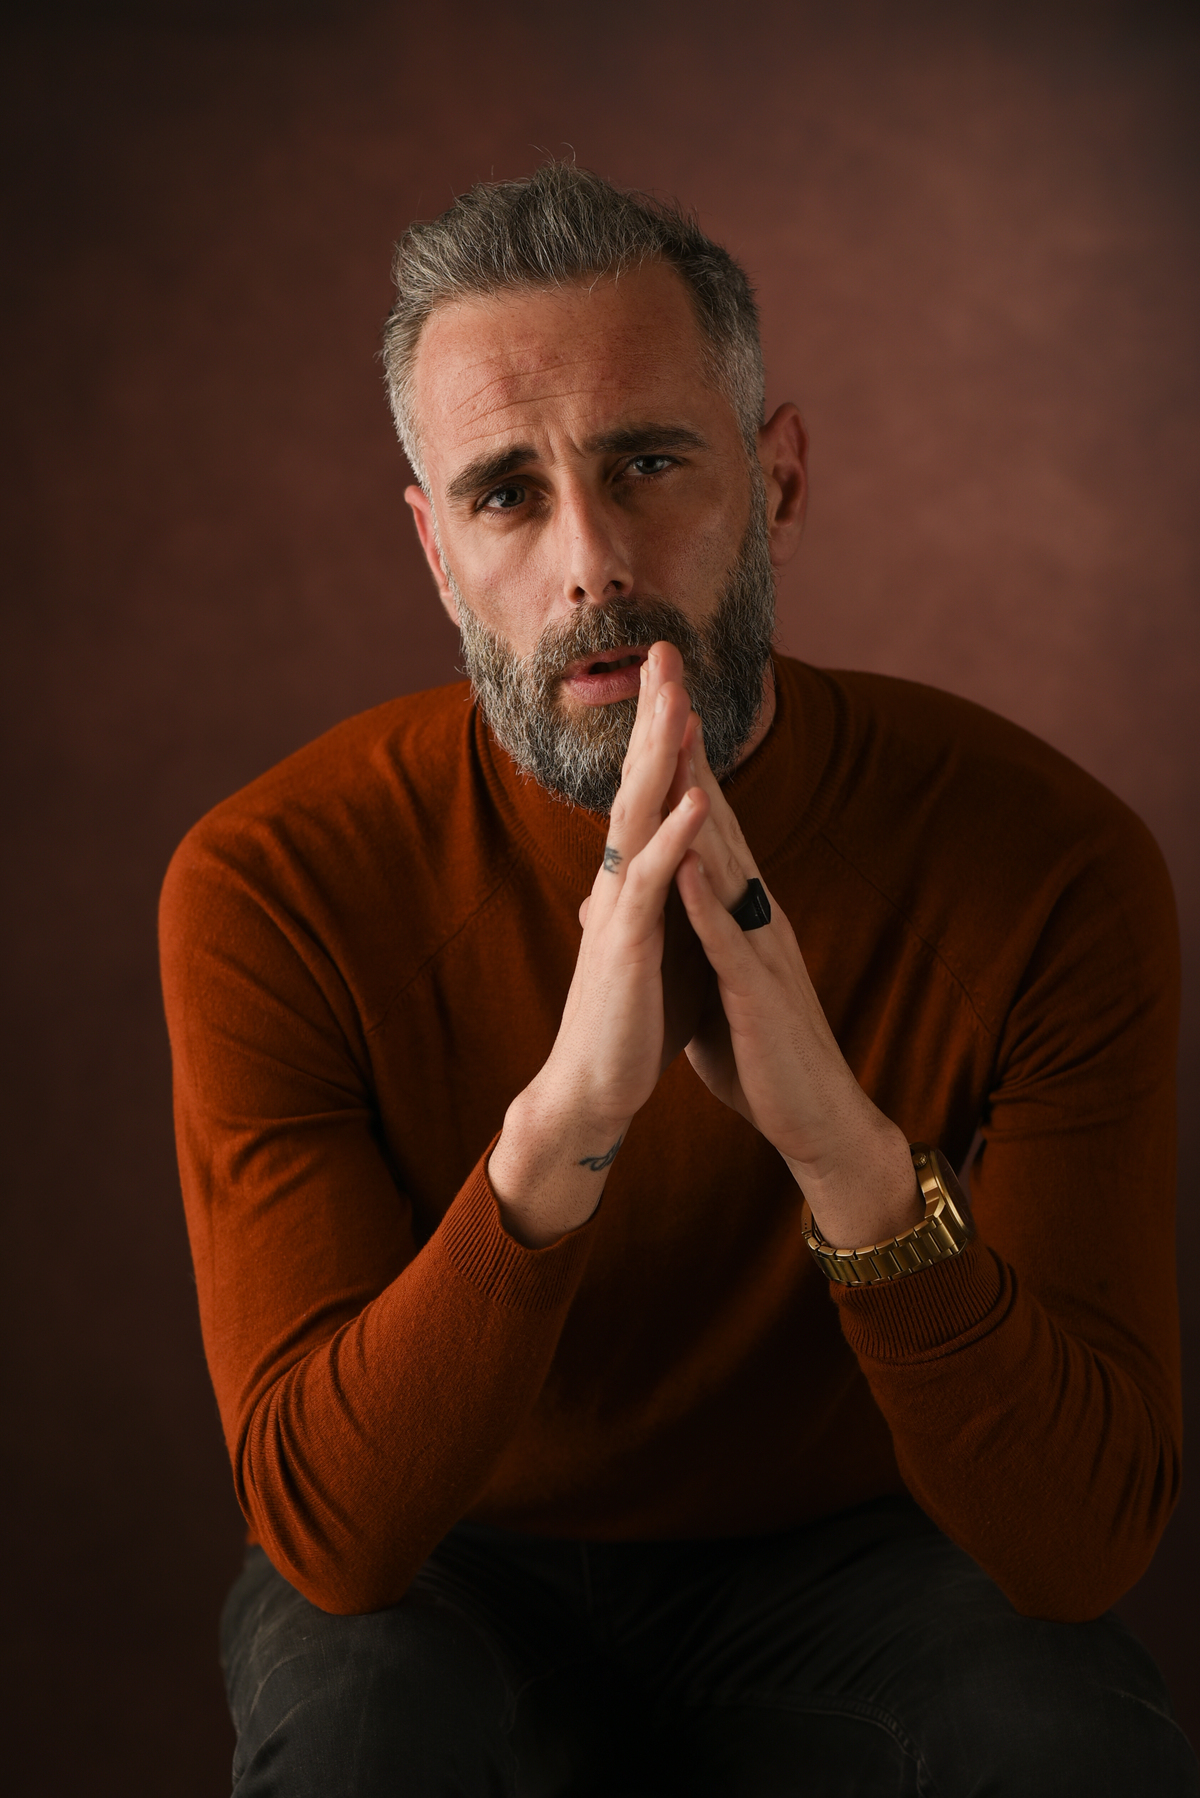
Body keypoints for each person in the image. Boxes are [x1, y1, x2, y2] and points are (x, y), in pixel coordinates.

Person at [159, 163, 1197, 1796]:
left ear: (776, 481)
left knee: (1066, 1739)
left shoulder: (1053, 862)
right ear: (437, 553)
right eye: (507, 495)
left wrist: (845, 1153)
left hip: (859, 1553)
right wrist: (568, 1121)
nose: (592, 562)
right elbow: (336, 1534)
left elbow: (1080, 1545)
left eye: (648, 463)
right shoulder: (270, 881)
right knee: (361, 1735)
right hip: (450, 1551)